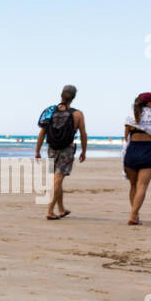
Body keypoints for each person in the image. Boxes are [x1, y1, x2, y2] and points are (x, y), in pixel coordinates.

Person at [34, 85, 87, 220]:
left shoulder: (50, 111)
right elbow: (83, 134)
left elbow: (42, 133)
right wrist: (84, 151)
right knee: (58, 180)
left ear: (61, 95)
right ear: (74, 97)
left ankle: (61, 209)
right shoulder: (77, 114)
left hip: (51, 149)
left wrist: (37, 151)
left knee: (58, 179)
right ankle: (50, 211)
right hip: (67, 150)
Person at [123, 92, 151, 225]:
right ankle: (133, 215)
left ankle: (135, 215)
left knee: (133, 186)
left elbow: (126, 137)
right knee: (142, 186)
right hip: (148, 151)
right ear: (148, 103)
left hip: (132, 151)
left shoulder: (130, 117)